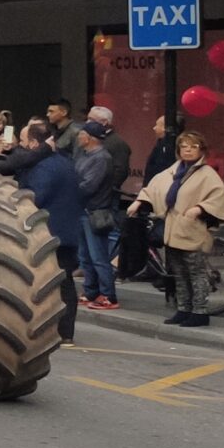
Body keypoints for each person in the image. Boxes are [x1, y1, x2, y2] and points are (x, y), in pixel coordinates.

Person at [0, 122, 86, 341]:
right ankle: (62, 331)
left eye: (23, 141)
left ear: (34, 143)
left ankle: (62, 332)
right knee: (61, 282)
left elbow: (32, 198)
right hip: (64, 232)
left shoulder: (46, 167)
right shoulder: (62, 162)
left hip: (50, 234)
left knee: (58, 284)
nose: (19, 145)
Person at [134, 129, 224, 327]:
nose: (188, 150)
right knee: (178, 272)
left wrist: (199, 208)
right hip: (173, 228)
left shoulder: (207, 174)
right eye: (184, 147)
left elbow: (218, 197)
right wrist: (139, 202)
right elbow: (153, 188)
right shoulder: (174, 170)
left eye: (193, 147)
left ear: (201, 150)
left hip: (192, 229)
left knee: (195, 271)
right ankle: (183, 308)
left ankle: (200, 311)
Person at [74, 121, 124, 311]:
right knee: (85, 256)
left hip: (95, 211)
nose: (79, 137)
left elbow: (89, 185)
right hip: (83, 210)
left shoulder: (101, 158)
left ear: (89, 138)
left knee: (98, 256)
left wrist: (71, 190)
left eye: (82, 134)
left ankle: (109, 295)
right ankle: (91, 291)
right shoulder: (85, 155)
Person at [87, 105, 133, 184]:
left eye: (91, 120)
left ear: (104, 122)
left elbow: (120, 172)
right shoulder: (92, 139)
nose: (87, 122)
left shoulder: (117, 143)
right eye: (88, 119)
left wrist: (106, 189)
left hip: (106, 193)